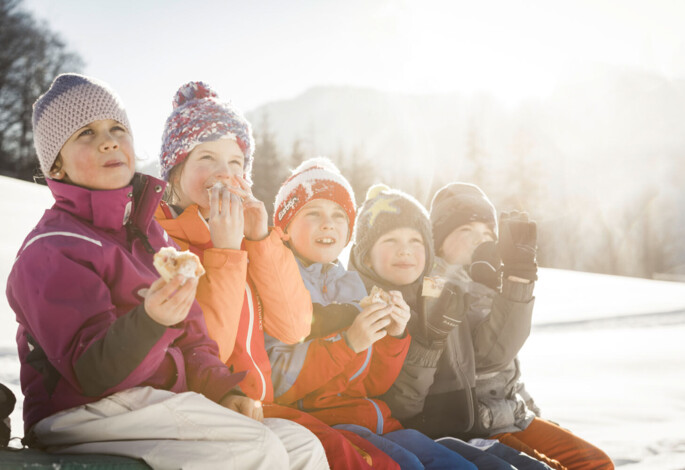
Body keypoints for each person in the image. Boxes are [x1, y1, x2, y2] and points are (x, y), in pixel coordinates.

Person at [4, 73, 326, 470]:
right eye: (85, 134)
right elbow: (91, 371)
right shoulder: (53, 248)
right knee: (255, 448)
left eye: (116, 128)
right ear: (56, 165)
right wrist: (152, 320)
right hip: (81, 410)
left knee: (300, 445)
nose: (108, 140)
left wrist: (223, 391)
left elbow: (196, 339)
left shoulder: (147, 236)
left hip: (156, 400)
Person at [155, 81, 396, 470]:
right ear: (175, 173)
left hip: (263, 406)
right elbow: (205, 345)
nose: (224, 173)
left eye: (236, 162)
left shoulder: (252, 241)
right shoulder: (164, 245)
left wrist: (260, 237)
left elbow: (294, 325)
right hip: (211, 408)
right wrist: (226, 251)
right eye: (207, 159)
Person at [383, 182, 614, 470]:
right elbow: (487, 357)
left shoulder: (486, 281)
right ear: (438, 241)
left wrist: (532, 411)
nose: (478, 240)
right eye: (465, 231)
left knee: (596, 462)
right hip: (477, 424)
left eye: (486, 233)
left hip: (513, 415)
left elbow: (508, 372)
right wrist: (518, 282)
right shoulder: (436, 288)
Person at [267, 158, 478, 470]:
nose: (329, 223)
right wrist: (349, 342)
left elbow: (371, 385)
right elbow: (278, 379)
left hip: (373, 418)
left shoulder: (350, 285)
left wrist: (394, 336)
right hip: (322, 425)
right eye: (314, 213)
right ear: (285, 225)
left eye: (339, 215)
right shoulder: (278, 279)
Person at [348, 183, 554, 470]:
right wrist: (429, 342)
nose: (405, 251)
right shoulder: (367, 306)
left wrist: (511, 281)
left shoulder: (440, 293)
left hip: (484, 420)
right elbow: (400, 405)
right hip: (448, 429)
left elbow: (497, 363)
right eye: (390, 240)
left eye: (415, 242)